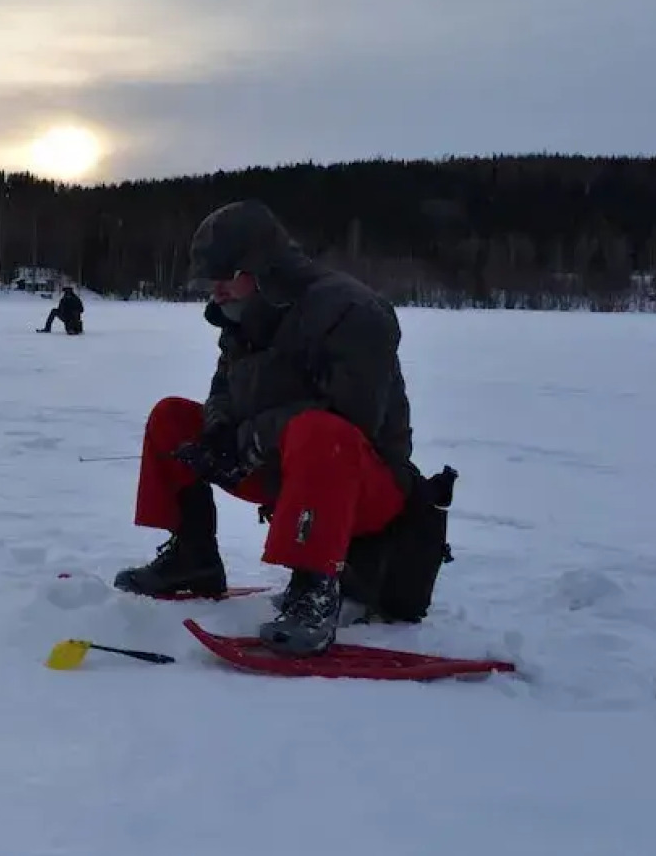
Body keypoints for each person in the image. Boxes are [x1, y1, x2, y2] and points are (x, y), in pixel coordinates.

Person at [112, 199, 445, 657]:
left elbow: (352, 418)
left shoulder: (353, 311)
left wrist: (249, 441)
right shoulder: (245, 316)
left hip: (365, 487)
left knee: (319, 433)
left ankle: (315, 589)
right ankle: (192, 559)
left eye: (225, 275)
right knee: (172, 419)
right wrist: (218, 432)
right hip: (285, 469)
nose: (216, 289)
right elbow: (223, 388)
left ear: (261, 267)